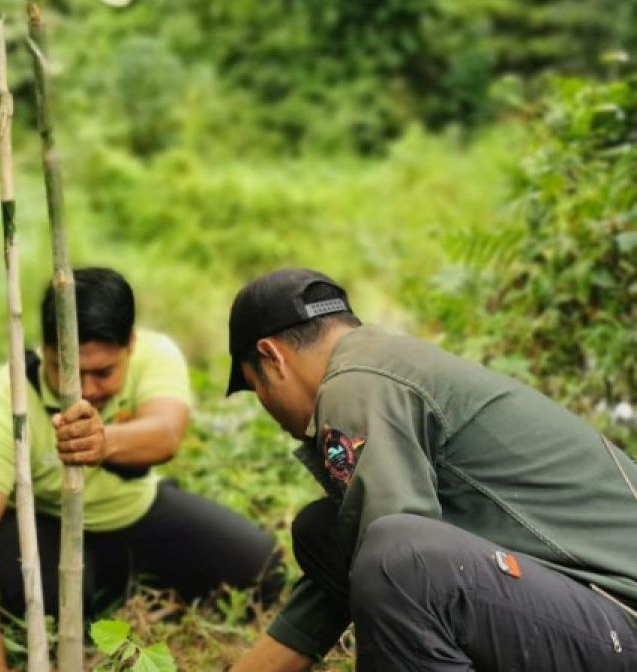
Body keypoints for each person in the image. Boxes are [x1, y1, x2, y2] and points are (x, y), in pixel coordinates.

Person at [224, 267, 637, 672]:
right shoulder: (386, 362)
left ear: (271, 356)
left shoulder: (354, 383)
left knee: (398, 557)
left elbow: (398, 571)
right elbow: (353, 575)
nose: (265, 404)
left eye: (255, 386)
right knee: (327, 533)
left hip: (621, 619)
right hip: (589, 612)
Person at [0, 267, 283, 671]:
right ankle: (95, 594)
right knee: (50, 601)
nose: (85, 389)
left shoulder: (155, 354)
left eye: (103, 373)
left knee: (261, 567)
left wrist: (104, 443)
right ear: (45, 350)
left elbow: (166, 432)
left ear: (130, 345)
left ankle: (118, 586)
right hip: (48, 525)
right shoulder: (11, 393)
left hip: (137, 512)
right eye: (66, 369)